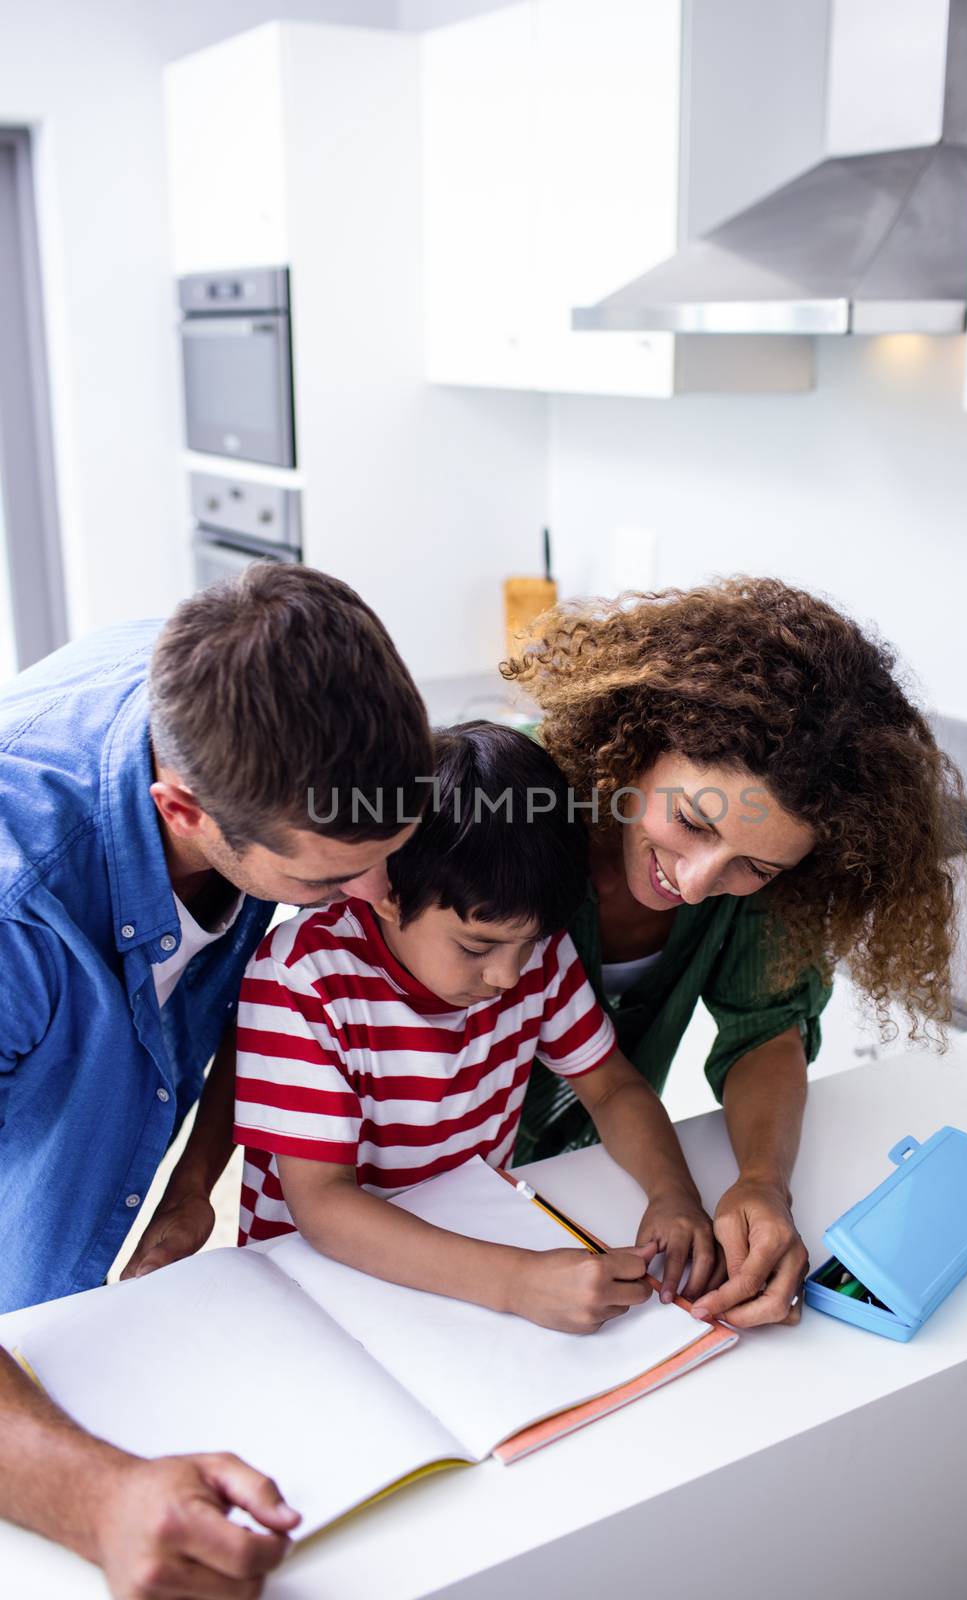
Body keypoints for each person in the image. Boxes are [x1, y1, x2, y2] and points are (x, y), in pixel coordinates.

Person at [0, 564, 432, 1598]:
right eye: (328, 881)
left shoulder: (269, 719)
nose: (375, 901)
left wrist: (195, 1182)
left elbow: (260, 979)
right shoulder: (17, 910)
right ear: (182, 808)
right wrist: (94, 1496)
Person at [505, 577, 967, 1331]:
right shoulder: (507, 807)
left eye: (752, 868)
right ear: (638, 744)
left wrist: (761, 1182)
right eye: (691, 821)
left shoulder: (773, 880)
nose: (694, 884)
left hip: (594, 1191)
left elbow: (765, 1030)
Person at [233, 721, 717, 1328]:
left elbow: (613, 1087)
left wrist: (674, 1194)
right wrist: (516, 1283)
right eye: (475, 947)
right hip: (310, 1287)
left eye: (530, 942)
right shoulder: (302, 977)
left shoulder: (531, 953)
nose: (507, 977)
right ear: (387, 889)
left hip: (467, 1263)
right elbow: (323, 1205)